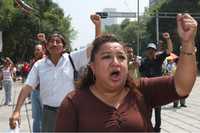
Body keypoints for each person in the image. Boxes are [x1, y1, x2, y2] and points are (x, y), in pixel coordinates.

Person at [55, 13, 197, 132]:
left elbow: (182, 85)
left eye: (121, 57)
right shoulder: (73, 103)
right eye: (106, 57)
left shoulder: (141, 90)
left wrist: (188, 43)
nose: (115, 62)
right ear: (92, 67)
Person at [9, 14, 101, 132]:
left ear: (63, 46)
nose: (55, 44)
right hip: (48, 113)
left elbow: (94, 48)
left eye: (58, 42)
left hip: (70, 112)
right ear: (47, 46)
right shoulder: (39, 65)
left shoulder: (72, 59)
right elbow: (27, 87)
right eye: (51, 41)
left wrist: (97, 26)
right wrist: (17, 111)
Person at [139, 32, 173, 132]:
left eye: (153, 50)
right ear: (146, 51)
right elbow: (140, 73)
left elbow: (170, 50)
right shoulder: (144, 61)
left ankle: (157, 129)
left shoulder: (159, 58)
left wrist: (168, 39)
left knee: (158, 111)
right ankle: (148, 128)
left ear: (155, 51)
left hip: (157, 89)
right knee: (147, 111)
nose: (151, 51)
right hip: (147, 90)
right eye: (149, 50)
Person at [30, 44, 45, 132]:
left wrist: (44, 40)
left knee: (46, 117)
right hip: (34, 92)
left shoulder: (47, 60)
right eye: (35, 50)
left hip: (44, 93)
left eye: (38, 49)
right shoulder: (33, 62)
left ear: (43, 50)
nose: (36, 51)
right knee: (36, 117)